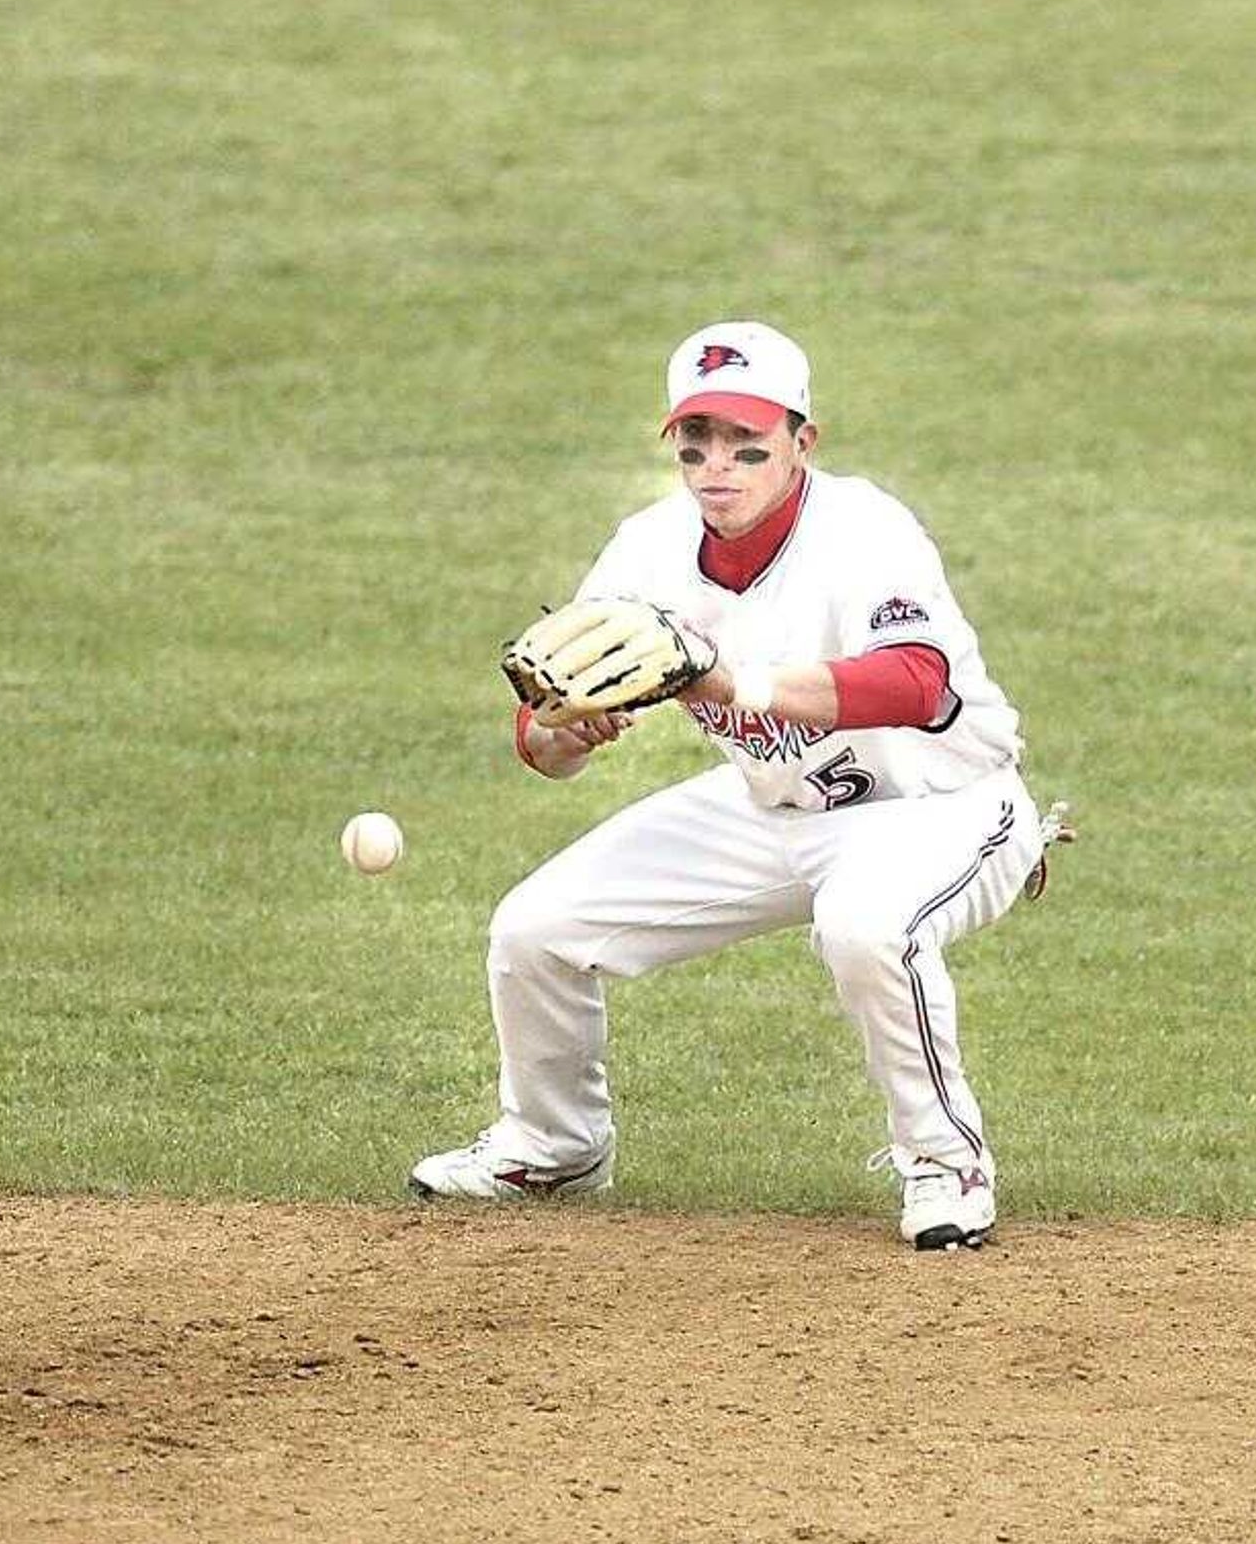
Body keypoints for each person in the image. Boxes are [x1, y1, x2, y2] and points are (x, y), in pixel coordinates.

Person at [409, 319, 1066, 1249]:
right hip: (776, 804)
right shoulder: (648, 547)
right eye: (698, 445)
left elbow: (918, 682)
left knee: (866, 927)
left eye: (748, 446)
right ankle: (551, 1146)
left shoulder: (864, 528)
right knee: (536, 929)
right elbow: (543, 730)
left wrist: (734, 685)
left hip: (943, 807)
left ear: (803, 443)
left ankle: (943, 1162)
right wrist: (567, 732)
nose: (719, 467)